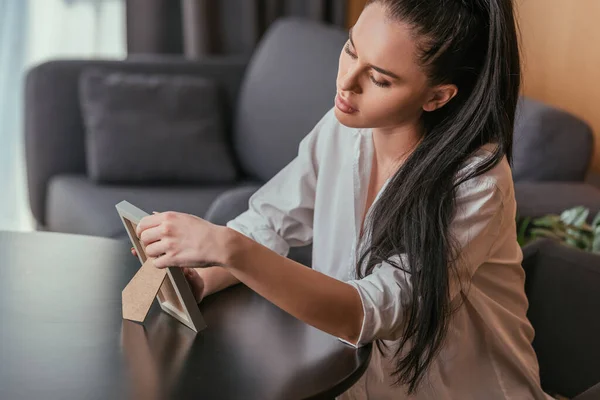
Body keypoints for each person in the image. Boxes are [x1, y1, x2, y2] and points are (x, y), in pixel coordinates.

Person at [134, 0, 552, 398]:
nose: (347, 82)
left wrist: (226, 247)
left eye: (380, 79)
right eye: (351, 50)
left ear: (438, 96)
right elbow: (270, 222)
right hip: (349, 386)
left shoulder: (476, 183)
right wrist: (205, 276)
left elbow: (373, 311)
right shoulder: (343, 129)